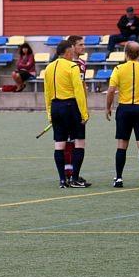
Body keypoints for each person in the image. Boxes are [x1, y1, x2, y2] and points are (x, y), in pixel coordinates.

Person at [105, 41, 139, 188]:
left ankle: (119, 178)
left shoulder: (118, 69)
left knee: (122, 144)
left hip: (124, 109)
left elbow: (111, 90)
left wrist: (108, 107)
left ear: (125, 53)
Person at [43, 40, 89, 188]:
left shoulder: (49, 68)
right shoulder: (72, 66)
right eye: (71, 51)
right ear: (68, 52)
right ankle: (75, 178)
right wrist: (84, 113)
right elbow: (78, 91)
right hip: (71, 106)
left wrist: (49, 113)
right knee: (79, 142)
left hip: (55, 107)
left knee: (59, 144)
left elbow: (47, 92)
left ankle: (62, 180)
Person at [63, 35, 90, 182]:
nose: (83, 47)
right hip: (67, 105)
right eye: (80, 45)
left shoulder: (82, 63)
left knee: (76, 140)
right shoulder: (65, 64)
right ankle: (68, 173)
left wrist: (85, 106)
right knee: (67, 140)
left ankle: (73, 173)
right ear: (72, 47)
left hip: (78, 107)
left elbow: (82, 85)